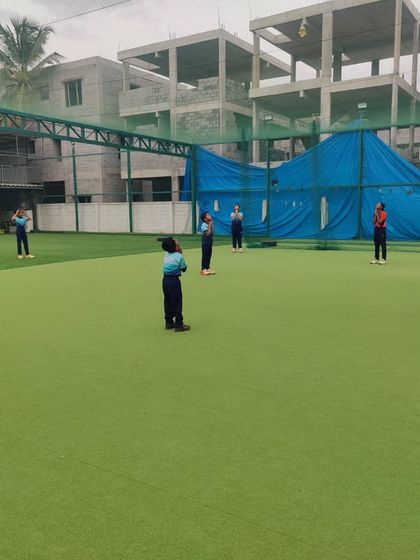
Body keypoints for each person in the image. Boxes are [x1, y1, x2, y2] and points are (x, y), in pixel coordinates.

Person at [162, 237, 190, 332]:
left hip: (165, 280)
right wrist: (181, 254)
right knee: (177, 302)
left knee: (168, 301)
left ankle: (169, 322)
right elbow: (184, 268)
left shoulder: (166, 255)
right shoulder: (179, 256)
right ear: (176, 247)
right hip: (174, 281)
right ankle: (179, 324)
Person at [200, 211, 215, 276]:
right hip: (205, 243)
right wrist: (210, 225)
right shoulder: (203, 225)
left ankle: (207, 268)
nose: (210, 215)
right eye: (208, 215)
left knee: (209, 255)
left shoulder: (209, 224)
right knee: (205, 256)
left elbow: (212, 233)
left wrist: (211, 225)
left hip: (210, 243)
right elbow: (207, 234)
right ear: (205, 219)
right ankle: (203, 269)